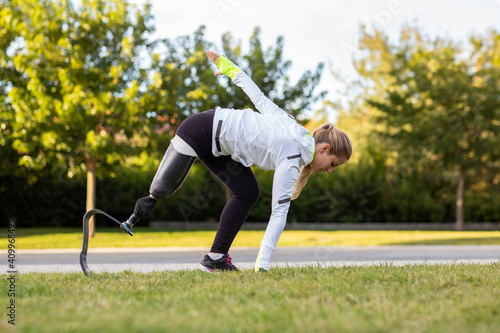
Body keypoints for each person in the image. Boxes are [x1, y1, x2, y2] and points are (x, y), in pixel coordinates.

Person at [120, 50, 352, 272]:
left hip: (216, 141)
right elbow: (279, 213)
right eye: (333, 164)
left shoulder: (290, 123)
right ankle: (138, 219)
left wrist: (230, 68)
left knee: (248, 192)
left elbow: (258, 96)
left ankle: (216, 258)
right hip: (200, 131)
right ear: (324, 148)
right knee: (161, 191)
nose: (330, 171)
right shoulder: (292, 155)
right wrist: (262, 265)